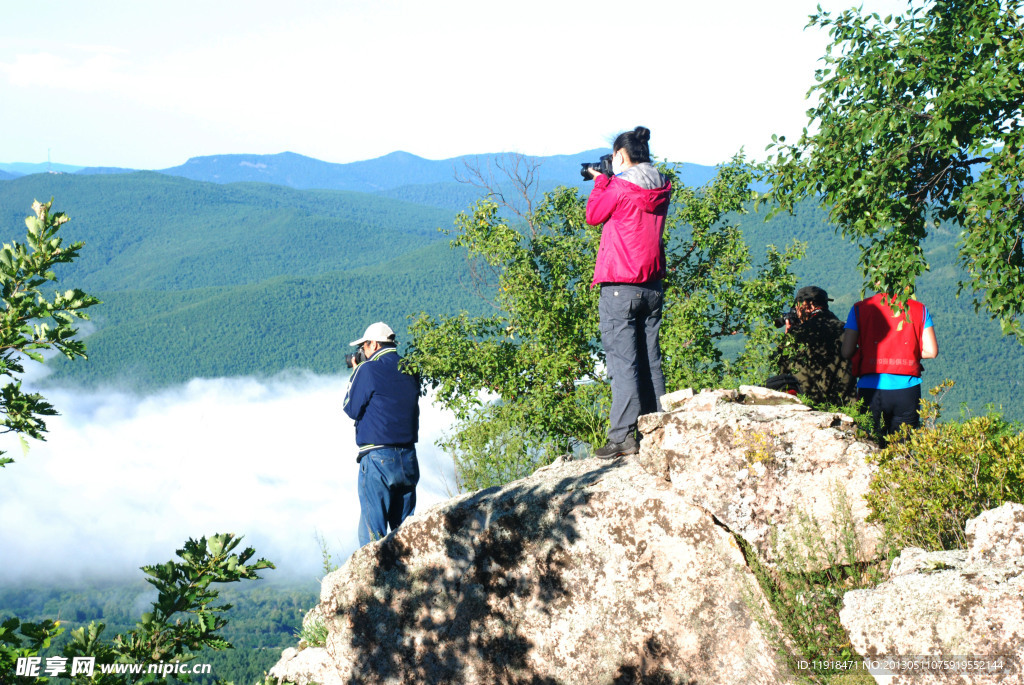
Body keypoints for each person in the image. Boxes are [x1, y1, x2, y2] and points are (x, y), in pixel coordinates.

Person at [584, 126, 672, 459]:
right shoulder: (663, 186)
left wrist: (600, 180)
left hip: (620, 285)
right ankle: (658, 428)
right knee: (651, 359)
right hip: (652, 284)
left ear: (620, 155)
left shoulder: (618, 187)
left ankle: (622, 436)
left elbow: (594, 216)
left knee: (623, 363)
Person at [343, 321, 421, 546]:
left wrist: (357, 370)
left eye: (364, 347)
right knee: (406, 534)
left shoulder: (368, 369)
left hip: (377, 457)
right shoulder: (410, 367)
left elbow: (351, 407)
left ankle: (373, 580)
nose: (362, 353)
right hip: (408, 457)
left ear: (374, 345)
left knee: (372, 535)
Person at [841, 291, 939, 446]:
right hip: (907, 389)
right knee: (902, 451)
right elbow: (931, 351)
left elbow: (846, 351)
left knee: (868, 446)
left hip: (871, 389)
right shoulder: (919, 309)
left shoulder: (860, 308)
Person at [771, 286, 855, 407]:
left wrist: (788, 337)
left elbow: (781, 367)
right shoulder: (846, 330)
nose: (797, 310)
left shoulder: (798, 334)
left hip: (808, 404)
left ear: (807, 305)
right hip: (843, 404)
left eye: (798, 305)